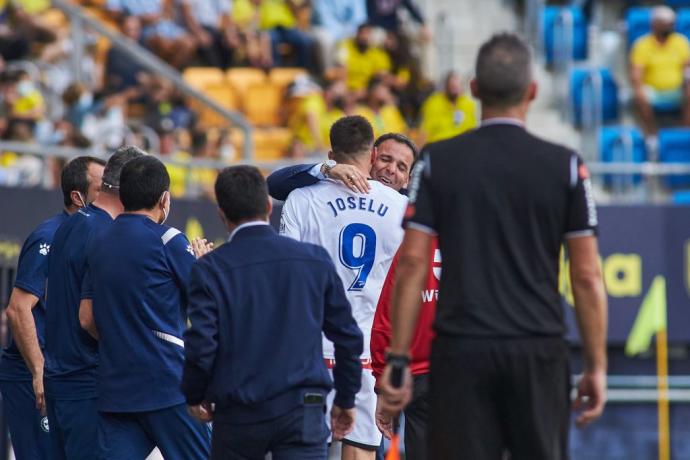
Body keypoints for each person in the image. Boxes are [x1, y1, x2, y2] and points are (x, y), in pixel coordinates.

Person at [379, 33, 608, 460]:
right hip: (537, 350)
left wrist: (397, 360)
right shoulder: (567, 165)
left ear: (474, 89)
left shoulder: (436, 161)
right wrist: (596, 366)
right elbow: (587, 276)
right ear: (533, 92)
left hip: (461, 352)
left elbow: (411, 263)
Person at [181, 165, 363, 459]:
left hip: (238, 412)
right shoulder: (314, 260)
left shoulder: (211, 269)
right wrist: (346, 396)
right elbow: (347, 337)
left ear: (222, 215)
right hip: (303, 408)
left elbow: (201, 343)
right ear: (268, 205)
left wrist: (195, 394)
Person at [280, 116, 408, 459]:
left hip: (310, 352)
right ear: (374, 153)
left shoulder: (301, 200)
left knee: (304, 451)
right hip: (365, 355)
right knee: (360, 452)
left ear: (331, 153)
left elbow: (287, 278)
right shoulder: (400, 209)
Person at [77, 156, 211, 459]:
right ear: (164, 199)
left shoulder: (99, 242)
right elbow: (209, 303)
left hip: (116, 390)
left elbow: (86, 318)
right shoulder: (168, 239)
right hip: (168, 387)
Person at [43, 146, 145, 460]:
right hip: (87, 382)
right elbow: (89, 318)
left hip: (60, 379)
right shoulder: (107, 234)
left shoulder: (69, 224)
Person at [0, 156, 105, 460]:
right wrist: (38, 370)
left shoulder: (86, 235)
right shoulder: (50, 237)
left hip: (62, 376)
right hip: (32, 374)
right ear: (77, 196)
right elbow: (19, 308)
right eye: (102, 187)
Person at [267, 132, 417, 202]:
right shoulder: (336, 184)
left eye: (401, 167)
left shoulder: (410, 211)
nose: (391, 169)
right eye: (385, 159)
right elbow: (273, 185)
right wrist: (326, 169)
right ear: (371, 157)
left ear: (407, 181)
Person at [630, 6, 690, 137]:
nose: (670, 27)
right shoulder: (642, 45)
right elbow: (636, 74)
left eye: (672, 24)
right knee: (639, 95)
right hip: (652, 90)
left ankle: (684, 135)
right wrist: (638, 88)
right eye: (666, 24)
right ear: (655, 24)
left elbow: (687, 68)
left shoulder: (681, 42)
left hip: (678, 89)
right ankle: (652, 136)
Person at [420, 70, 478, 143]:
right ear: (446, 86)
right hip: (439, 145)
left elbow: (471, 129)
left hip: (462, 146)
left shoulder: (468, 104)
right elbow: (426, 131)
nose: (454, 89)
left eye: (456, 86)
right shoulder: (433, 103)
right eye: (452, 86)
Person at [336, 24, 391, 96]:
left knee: (381, 92)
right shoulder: (346, 46)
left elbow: (382, 75)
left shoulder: (378, 53)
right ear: (357, 34)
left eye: (367, 34)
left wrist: (366, 89)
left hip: (367, 90)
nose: (364, 37)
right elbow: (341, 69)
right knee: (337, 89)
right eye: (362, 33)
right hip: (346, 87)